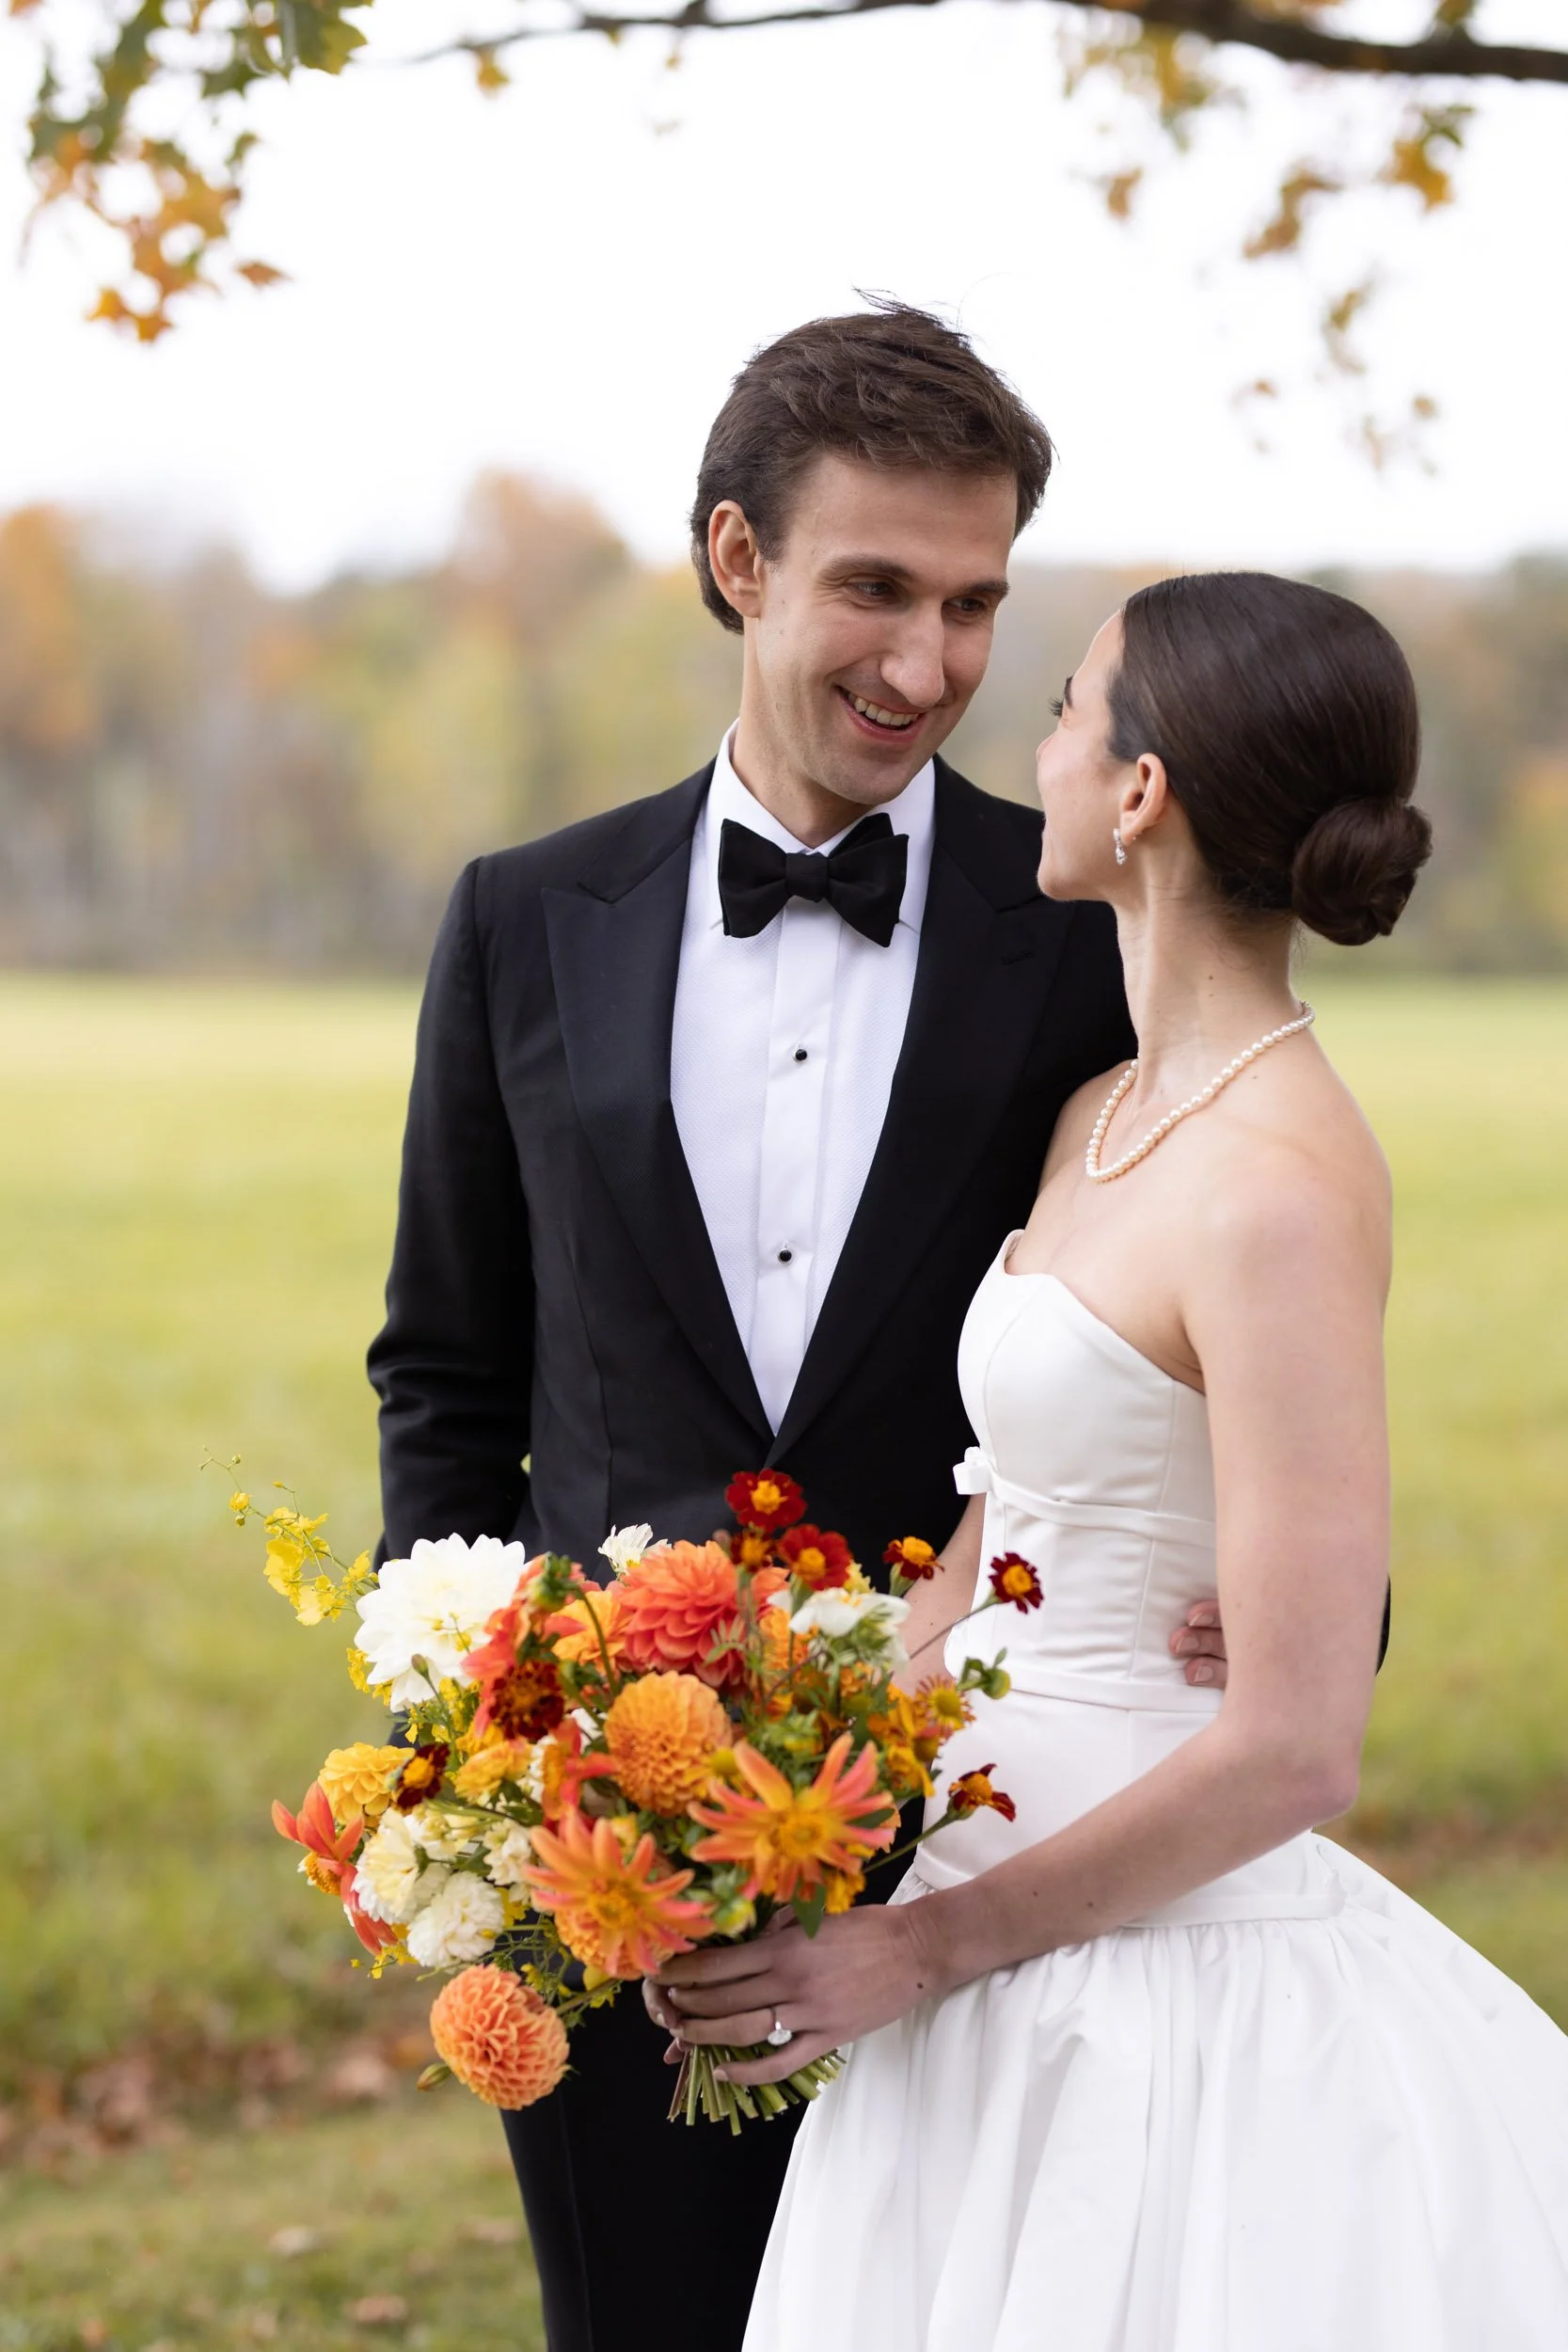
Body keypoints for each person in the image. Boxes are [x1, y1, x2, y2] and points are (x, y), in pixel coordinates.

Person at [368, 305, 1243, 2352]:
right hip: (607, 1863)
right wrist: (459, 1755)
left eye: (969, 603)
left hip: (979, 1841)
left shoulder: (1089, 942)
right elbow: (449, 1366)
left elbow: (1235, 1294)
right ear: (736, 559)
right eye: (871, 586)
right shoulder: (522, 915)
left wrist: (1289, 1600)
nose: (924, 662)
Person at [651, 571, 1568, 2351]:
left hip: (1147, 1984)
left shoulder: (1275, 1193)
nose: (1041, 738)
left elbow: (1296, 1746)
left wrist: (919, 1952)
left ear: (1139, 794)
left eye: (1071, 703)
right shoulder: (1104, 1116)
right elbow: (1010, 1529)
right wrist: (740, 1768)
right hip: (959, 1917)